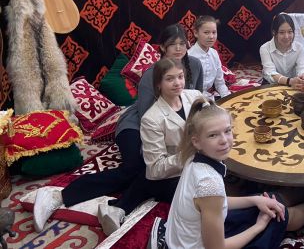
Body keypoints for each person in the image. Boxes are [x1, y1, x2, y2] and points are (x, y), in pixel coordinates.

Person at [32, 24, 204, 234]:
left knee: (161, 171)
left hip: (168, 125)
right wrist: (161, 152)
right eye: (172, 44)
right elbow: (147, 115)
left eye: (182, 43)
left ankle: (117, 209)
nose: (178, 48)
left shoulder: (195, 65)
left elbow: (196, 104)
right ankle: (58, 195)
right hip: (136, 124)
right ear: (162, 48)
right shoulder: (152, 74)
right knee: (137, 167)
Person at [147, 100, 304, 249]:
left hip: (191, 232)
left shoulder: (193, 157)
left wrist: (255, 200)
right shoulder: (209, 184)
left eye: (227, 131)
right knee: (279, 217)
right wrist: (258, 226)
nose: (224, 140)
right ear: (197, 141)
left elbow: (212, 202)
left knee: (268, 200)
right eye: (213, 135)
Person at [98, 57, 207, 235]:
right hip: (174, 175)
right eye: (169, 79)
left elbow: (212, 117)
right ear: (158, 84)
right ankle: (159, 229)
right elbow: (156, 169)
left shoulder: (194, 96)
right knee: (204, 199)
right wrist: (191, 155)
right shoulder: (152, 118)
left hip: (195, 163)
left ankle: (118, 208)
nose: (177, 83)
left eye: (180, 76)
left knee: (143, 178)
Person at [259, 13, 304, 88]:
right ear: (274, 33)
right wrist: (290, 81)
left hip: (294, 83)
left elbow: (303, 68)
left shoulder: (299, 47)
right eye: (282, 32)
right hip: (272, 84)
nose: (286, 36)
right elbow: (270, 73)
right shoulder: (265, 48)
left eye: (290, 32)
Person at [187, 15, 231, 99]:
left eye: (214, 32)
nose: (211, 36)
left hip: (208, 96)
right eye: (206, 32)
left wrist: (227, 98)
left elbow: (220, 83)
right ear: (196, 33)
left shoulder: (214, 54)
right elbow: (189, 89)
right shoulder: (190, 56)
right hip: (192, 98)